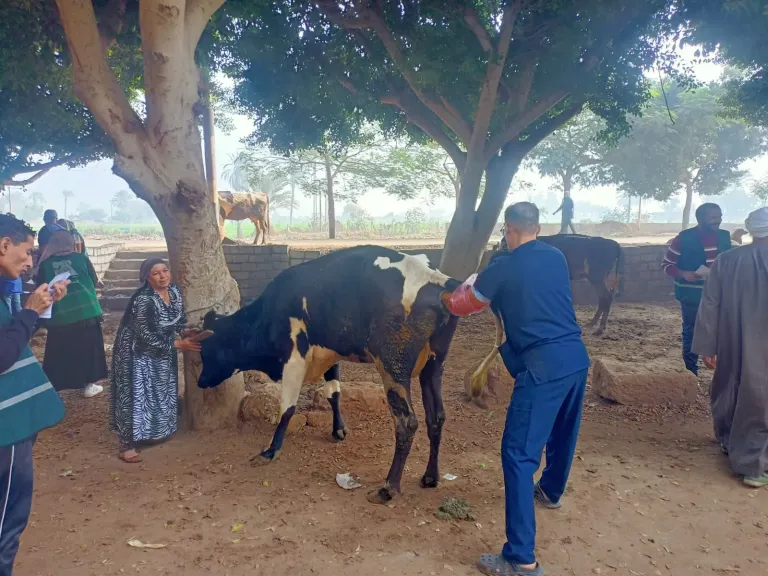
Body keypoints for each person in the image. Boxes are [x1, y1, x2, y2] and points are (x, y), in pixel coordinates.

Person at [444, 202, 590, 576]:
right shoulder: (556, 256)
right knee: (562, 433)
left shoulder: (503, 267)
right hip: (575, 359)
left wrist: (465, 285)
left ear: (509, 230)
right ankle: (551, 492)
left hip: (541, 368)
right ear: (537, 228)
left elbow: (463, 305)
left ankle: (521, 559)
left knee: (518, 455)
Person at [0, 214, 69, 575]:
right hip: (6, 428)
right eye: (27, 252)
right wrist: (29, 313)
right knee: (6, 522)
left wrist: (36, 310)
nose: (30, 262)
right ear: (3, 245)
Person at [692, 207, 768, 488]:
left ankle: (726, 439)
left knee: (728, 387)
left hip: (731, 340)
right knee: (759, 398)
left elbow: (709, 304)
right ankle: (754, 466)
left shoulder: (726, 261)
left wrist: (707, 346)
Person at [110, 258, 201, 463]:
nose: (163, 276)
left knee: (159, 390)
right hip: (135, 352)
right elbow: (144, 334)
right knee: (135, 394)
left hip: (161, 349)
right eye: (156, 273)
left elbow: (178, 321)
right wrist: (179, 345)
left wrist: (187, 331)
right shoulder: (143, 299)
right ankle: (126, 445)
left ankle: (151, 434)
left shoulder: (175, 292)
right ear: (147, 278)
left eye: (165, 270)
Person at [35, 230, 107, 399]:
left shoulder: (45, 264)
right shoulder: (82, 258)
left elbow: (40, 287)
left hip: (61, 317)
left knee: (60, 351)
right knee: (89, 350)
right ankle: (89, 384)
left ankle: (57, 386)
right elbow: (94, 280)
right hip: (87, 311)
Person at [661, 203, 731, 376]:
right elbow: (666, 265)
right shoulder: (683, 238)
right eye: (713, 218)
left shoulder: (724, 236)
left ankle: (722, 370)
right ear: (700, 219)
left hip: (719, 293)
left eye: (720, 216)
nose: (718, 221)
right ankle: (691, 371)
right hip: (691, 293)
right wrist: (683, 273)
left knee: (723, 329)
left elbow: (728, 262)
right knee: (691, 330)